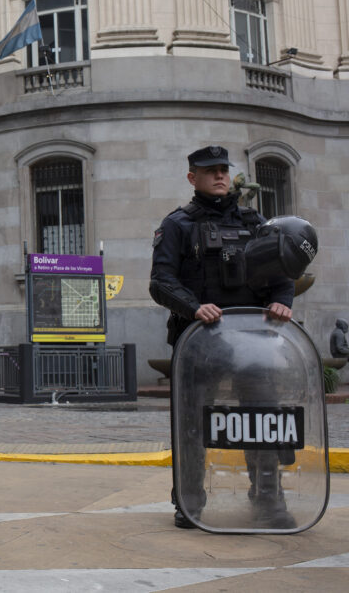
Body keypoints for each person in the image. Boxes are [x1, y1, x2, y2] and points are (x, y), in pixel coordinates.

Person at [149, 146, 295, 529]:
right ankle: (189, 501)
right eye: (209, 171)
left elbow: (281, 274)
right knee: (192, 424)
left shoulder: (255, 223)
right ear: (191, 177)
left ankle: (269, 498)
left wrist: (281, 302)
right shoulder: (178, 225)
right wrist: (194, 307)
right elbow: (160, 281)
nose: (219, 176)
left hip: (252, 344)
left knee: (263, 419)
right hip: (199, 343)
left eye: (223, 170)